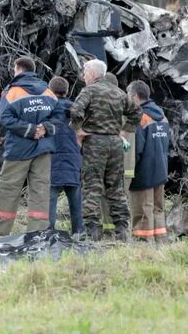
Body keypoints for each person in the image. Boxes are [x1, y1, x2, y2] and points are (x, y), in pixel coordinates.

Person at [69, 59, 142, 242]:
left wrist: (78, 131)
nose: (84, 76)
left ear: (93, 74)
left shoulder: (89, 91)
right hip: (115, 143)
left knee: (92, 186)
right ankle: (122, 231)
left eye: (85, 72)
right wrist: (125, 133)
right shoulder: (118, 92)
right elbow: (137, 112)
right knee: (116, 188)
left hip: (94, 142)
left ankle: (93, 232)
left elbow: (75, 111)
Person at [0, 57, 60, 236]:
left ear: (18, 70)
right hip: (44, 147)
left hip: (19, 148)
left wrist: (30, 130)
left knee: (8, 187)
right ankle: (38, 231)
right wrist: (44, 129)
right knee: (40, 189)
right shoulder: (48, 91)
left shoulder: (11, 92)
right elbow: (59, 116)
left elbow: (5, 118)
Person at [126, 81, 170, 243]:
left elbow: (135, 149)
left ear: (135, 97)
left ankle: (143, 245)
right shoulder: (162, 116)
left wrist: (129, 171)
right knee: (158, 208)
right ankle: (161, 241)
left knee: (142, 209)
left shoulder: (140, 117)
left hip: (143, 171)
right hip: (161, 169)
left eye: (128, 96)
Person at [47, 76, 83, 235]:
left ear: (50, 91)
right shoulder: (78, 111)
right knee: (76, 202)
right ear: (67, 91)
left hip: (52, 161)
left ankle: (49, 233)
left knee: (50, 201)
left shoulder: (47, 109)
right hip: (74, 161)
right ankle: (79, 233)